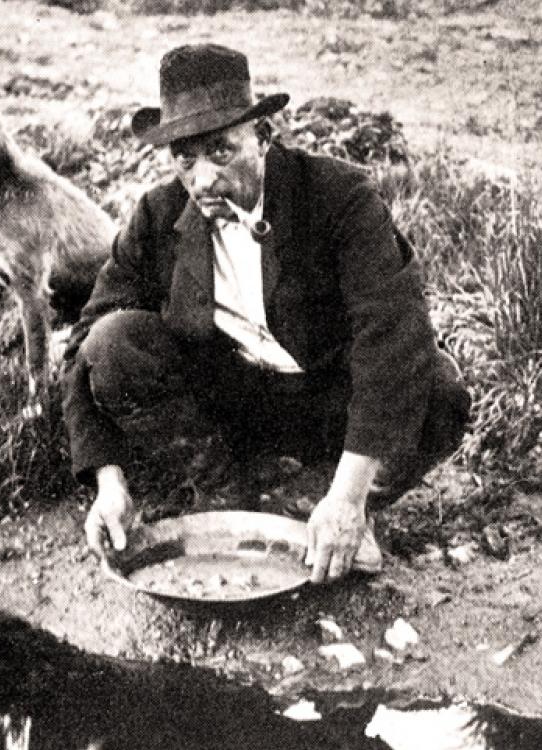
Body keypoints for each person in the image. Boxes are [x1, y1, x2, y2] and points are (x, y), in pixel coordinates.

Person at [61, 43, 470, 583]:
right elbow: (83, 346)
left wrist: (348, 496)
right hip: (234, 408)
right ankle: (224, 495)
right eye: (185, 158)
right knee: (112, 341)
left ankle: (331, 504)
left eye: (220, 151)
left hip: (330, 402)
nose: (202, 179)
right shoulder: (157, 216)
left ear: (263, 136)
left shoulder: (339, 197)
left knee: (439, 388)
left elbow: (393, 334)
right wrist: (108, 483)